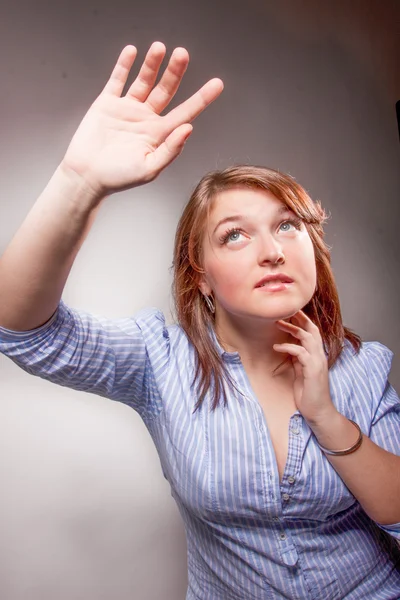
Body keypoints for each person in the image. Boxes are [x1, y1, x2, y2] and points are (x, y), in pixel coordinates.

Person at [0, 41, 399, 600]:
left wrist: (325, 416)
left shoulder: (364, 366)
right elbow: (21, 330)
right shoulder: (159, 361)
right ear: (202, 276)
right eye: (235, 234)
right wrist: (79, 181)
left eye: (288, 226)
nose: (272, 251)